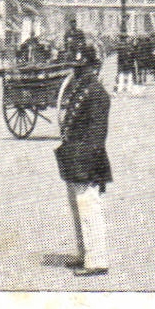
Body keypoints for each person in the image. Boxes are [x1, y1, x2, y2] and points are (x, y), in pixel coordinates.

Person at [56, 41, 112, 277]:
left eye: (83, 67)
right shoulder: (81, 89)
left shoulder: (97, 93)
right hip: (75, 157)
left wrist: (90, 165)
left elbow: (98, 135)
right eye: (77, 67)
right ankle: (84, 253)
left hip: (86, 160)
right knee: (79, 210)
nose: (78, 71)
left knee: (90, 210)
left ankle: (97, 259)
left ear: (94, 67)